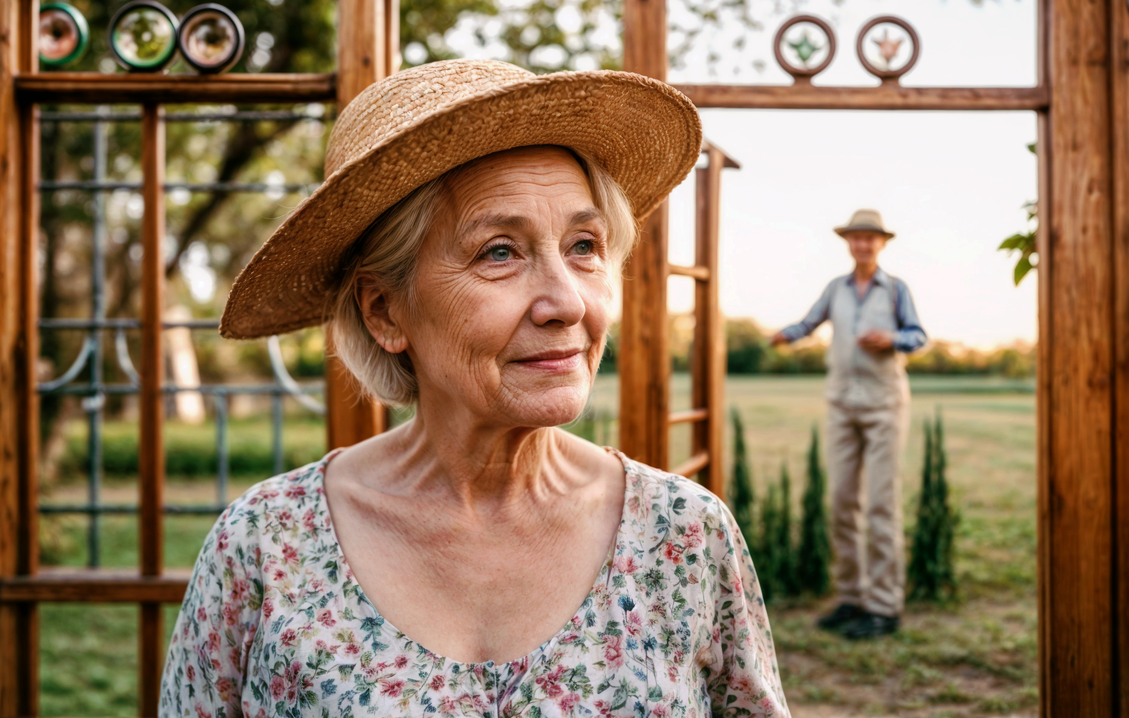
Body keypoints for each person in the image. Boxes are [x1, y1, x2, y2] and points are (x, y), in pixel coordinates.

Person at [159, 59, 788, 717]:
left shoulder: (683, 534)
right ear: (384, 312)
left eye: (583, 245)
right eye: (499, 252)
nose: (567, 303)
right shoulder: (266, 546)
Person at [769, 209, 927, 641]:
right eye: (856, 238)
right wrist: (786, 334)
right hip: (842, 405)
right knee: (841, 502)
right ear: (848, 243)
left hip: (884, 406)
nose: (863, 245)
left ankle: (883, 605)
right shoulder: (835, 288)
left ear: (881, 244)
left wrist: (891, 339)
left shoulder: (896, 290)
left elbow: (918, 335)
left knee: (880, 504)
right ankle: (851, 598)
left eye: (870, 239)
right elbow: (809, 322)